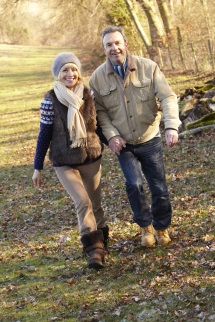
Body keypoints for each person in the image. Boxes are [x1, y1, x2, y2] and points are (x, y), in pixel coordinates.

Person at [89, 26, 181, 247]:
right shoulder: (97, 78)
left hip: (150, 137)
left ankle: (162, 227)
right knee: (134, 184)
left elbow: (167, 97)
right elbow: (100, 113)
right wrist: (111, 137)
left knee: (158, 186)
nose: (114, 48)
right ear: (104, 49)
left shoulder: (148, 67)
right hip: (124, 144)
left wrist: (171, 126)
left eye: (117, 43)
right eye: (109, 45)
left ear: (126, 44)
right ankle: (145, 227)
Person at [32, 52, 109, 269]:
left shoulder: (89, 95)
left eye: (73, 69)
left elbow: (99, 126)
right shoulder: (49, 101)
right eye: (65, 70)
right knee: (82, 202)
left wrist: (113, 142)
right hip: (64, 161)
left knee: (95, 204)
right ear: (58, 74)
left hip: (91, 157)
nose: (70, 73)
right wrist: (37, 166)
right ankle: (93, 249)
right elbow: (44, 134)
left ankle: (102, 241)